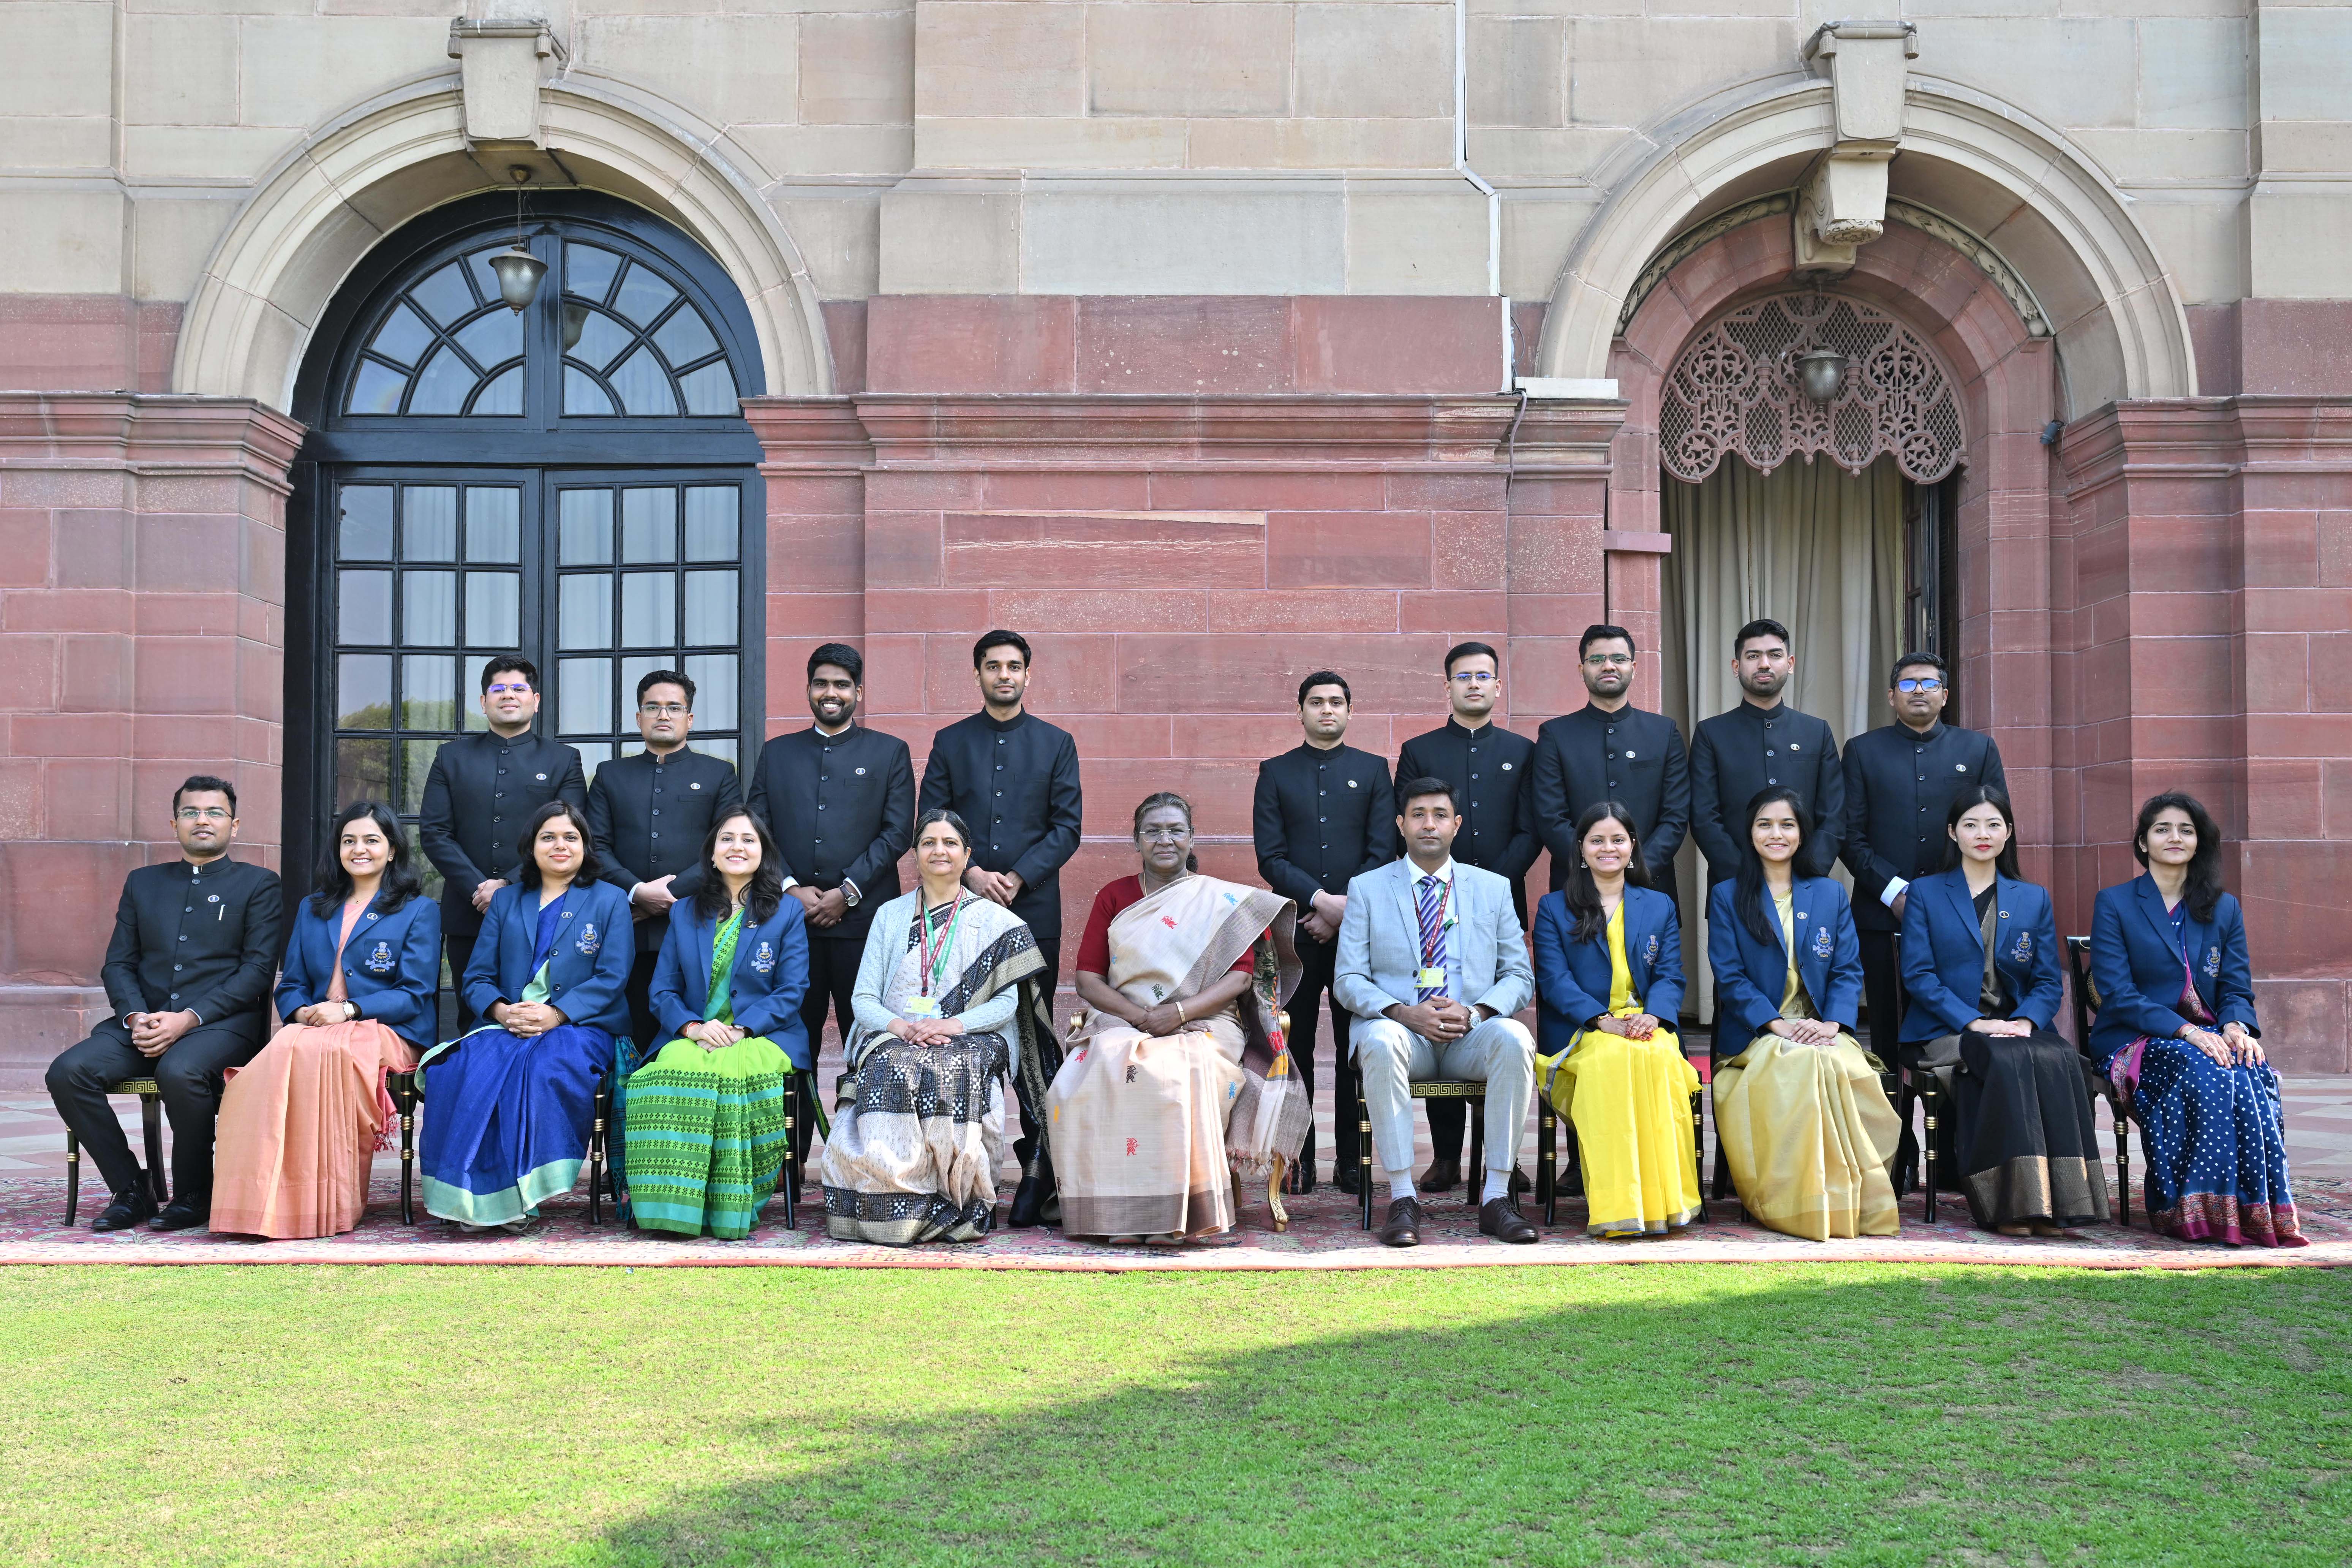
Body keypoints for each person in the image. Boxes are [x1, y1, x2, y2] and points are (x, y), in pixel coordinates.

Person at [1049, 793, 1307, 1244]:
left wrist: (1179, 1012)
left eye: (1175, 830)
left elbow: (1240, 980)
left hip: (1207, 1017)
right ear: (1137, 841)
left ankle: (1180, 1215)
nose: (1165, 840)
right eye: (1153, 831)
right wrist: (1141, 1016)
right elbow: (1089, 979)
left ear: (1191, 838)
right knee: (1105, 1060)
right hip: (1124, 1016)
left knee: (1184, 1070)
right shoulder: (1114, 896)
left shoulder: (1220, 901)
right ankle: (1118, 1216)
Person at [46, 775, 284, 1232]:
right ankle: (132, 1189)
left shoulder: (258, 885)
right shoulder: (143, 883)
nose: (202, 820)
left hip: (220, 1026)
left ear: (234, 827)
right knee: (68, 1071)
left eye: (215, 812)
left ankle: (195, 1192)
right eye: (191, 812)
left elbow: (256, 972)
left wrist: (187, 1020)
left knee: (181, 1071)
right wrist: (136, 1017)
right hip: (142, 1022)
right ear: (174, 823)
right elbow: (118, 964)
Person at [818, 809, 1054, 1245]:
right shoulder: (889, 915)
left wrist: (951, 1025)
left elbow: (1005, 1005)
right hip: (894, 1032)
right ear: (915, 855)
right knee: (893, 1063)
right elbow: (862, 999)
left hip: (971, 1035)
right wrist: (901, 1027)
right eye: (929, 842)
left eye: (949, 843)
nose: (939, 850)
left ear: (968, 856)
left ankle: (955, 1202)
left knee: (953, 1065)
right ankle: (889, 1198)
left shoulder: (998, 923)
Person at [210, 801, 440, 1239]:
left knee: (332, 1049)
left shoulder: (417, 910)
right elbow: (291, 984)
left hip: (388, 1031)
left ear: (392, 850)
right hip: (316, 1029)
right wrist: (302, 1012)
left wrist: (349, 1010)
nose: (359, 849)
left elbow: (415, 994)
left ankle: (329, 1203)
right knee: (276, 1058)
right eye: (349, 841)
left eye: (372, 840)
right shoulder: (313, 908)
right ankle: (261, 1203)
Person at [2089, 793, 2305, 1247]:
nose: (2175, 837)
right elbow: (2117, 992)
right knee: (2206, 1068)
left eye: (2186, 830)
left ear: (2199, 842)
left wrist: (2235, 1027)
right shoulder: (2116, 902)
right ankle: (2188, 1209)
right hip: (2137, 1038)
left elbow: (2236, 987)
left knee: (2250, 1067)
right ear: (2144, 842)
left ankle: (2251, 1211)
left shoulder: (2223, 908)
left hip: (2210, 1036)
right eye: (2163, 829)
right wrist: (2187, 1030)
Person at [919, 629, 1082, 1222]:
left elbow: (1067, 828)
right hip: (961, 912)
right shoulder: (950, 742)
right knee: (962, 1032)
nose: (1004, 676)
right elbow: (931, 818)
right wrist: (976, 875)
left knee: (1035, 1037)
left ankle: (1043, 1166)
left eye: (1014, 667)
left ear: (1027, 675)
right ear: (979, 674)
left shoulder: (1056, 743)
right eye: (993, 667)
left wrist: (1015, 877)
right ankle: (955, 1166)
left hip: (1033, 909)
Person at [1335, 778, 1539, 1248]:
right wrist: (1403, 1014)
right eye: (1420, 815)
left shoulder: (1492, 888)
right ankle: (1403, 1199)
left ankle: (1496, 1197)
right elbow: (1348, 980)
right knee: (1379, 1040)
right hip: (1405, 1034)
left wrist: (1476, 1012)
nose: (1430, 824)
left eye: (1441, 815)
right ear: (1401, 824)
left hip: (1470, 1034)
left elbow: (1518, 976)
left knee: (1515, 1038)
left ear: (1457, 824)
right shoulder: (1367, 889)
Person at [416, 800, 632, 1232]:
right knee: (462, 1068)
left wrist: (555, 1015)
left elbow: (612, 977)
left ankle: (520, 1198)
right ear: (531, 846)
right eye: (548, 837)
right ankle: (470, 1195)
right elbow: (476, 976)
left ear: (586, 847)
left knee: (541, 1067)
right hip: (505, 1024)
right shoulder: (508, 901)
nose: (560, 845)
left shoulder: (609, 900)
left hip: (580, 1027)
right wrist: (502, 1010)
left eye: (571, 837)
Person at [1899, 786, 2107, 1236]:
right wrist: (1974, 1022)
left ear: (2009, 833)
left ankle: (2063, 1204)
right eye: (1971, 824)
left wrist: (2025, 1021)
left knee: (2062, 1060)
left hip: (2017, 1027)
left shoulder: (2032, 898)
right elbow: (1918, 976)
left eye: (1994, 824)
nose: (1983, 834)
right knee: (2001, 1059)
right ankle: (2010, 1204)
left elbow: (2049, 979)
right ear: (1953, 833)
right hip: (1946, 1029)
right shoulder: (1926, 893)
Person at [1706, 786, 1900, 1240]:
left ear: (1802, 833)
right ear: (1750, 832)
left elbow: (1849, 968)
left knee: (1835, 1061)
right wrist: (1779, 1025)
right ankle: (1795, 1205)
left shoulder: (1830, 894)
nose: (1777, 834)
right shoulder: (1728, 894)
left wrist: (1832, 1024)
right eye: (1765, 824)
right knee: (1801, 1064)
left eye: (1787, 825)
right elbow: (1730, 976)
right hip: (1761, 1034)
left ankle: (1851, 1202)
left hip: (1822, 1027)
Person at [1840, 650, 2006, 1178]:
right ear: (1891, 696)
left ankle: (1956, 1154)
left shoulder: (1977, 749)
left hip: (1959, 918)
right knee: (1889, 1037)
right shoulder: (1863, 752)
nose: (1918, 691)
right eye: (1907, 684)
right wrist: (1894, 891)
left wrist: (1938, 897)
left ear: (1945, 695)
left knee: (1951, 1028)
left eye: (1929, 683)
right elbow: (1850, 835)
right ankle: (1896, 1154)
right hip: (1881, 917)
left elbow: (1993, 827)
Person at [621, 809, 811, 1239]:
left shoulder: (786, 913)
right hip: (695, 1033)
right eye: (727, 839)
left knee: (733, 1078)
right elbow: (662, 990)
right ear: (711, 854)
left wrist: (742, 1030)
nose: (737, 848)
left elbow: (791, 991)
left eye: (749, 840)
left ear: (764, 855)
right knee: (663, 1076)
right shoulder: (685, 912)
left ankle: (726, 1209)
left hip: (764, 1034)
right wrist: (692, 1027)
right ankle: (672, 1210)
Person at [1394, 640, 1538, 1194]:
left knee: (1493, 1017)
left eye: (1484, 676)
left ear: (1499, 687)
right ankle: (1448, 1157)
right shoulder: (1420, 749)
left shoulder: (1522, 750)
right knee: (1440, 1008)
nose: (1474, 684)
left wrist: (1490, 886)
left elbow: (1532, 827)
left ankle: (1504, 1157)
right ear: (1448, 686)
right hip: (1429, 900)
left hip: (1498, 900)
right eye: (1463, 677)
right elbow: (1406, 824)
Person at [1252, 669, 1397, 1194]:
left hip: (1359, 937)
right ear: (1301, 711)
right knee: (1297, 1049)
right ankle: (1300, 1158)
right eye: (1317, 702)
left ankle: (1355, 1161)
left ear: (1350, 710)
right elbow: (1271, 856)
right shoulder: (1276, 772)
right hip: (1297, 932)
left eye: (1337, 702)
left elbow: (1385, 852)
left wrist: (1343, 911)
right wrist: (1319, 902)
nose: (1327, 710)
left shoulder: (1374, 771)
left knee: (1357, 1044)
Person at [745, 643, 915, 1092]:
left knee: (871, 1041)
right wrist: (790, 887)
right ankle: (790, 1158)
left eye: (842, 684)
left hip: (864, 923)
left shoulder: (890, 752)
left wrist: (848, 892)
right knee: (788, 1044)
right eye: (821, 683)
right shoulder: (777, 753)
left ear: (858, 691)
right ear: (808, 689)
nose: (831, 692)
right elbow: (756, 831)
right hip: (788, 922)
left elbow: (898, 833)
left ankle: (865, 1153)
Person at [1531, 803, 1702, 1239]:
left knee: (1659, 1059)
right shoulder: (1554, 907)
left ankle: (1665, 1204)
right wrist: (1600, 1020)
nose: (1609, 848)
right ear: (1582, 850)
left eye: (1618, 839)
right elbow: (1553, 980)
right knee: (1612, 1060)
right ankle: (1619, 1206)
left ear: (1632, 848)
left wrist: (1654, 1017)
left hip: (1646, 1024)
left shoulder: (1658, 905)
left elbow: (1670, 974)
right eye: (1597, 840)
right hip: (1583, 1030)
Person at [419, 656, 587, 1033]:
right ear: (483, 702)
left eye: (518, 688)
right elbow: (434, 832)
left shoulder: (563, 760)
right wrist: (480, 888)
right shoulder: (451, 757)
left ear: (536, 700)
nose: (508, 696)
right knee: (472, 1015)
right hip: (467, 910)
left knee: (540, 1012)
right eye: (498, 689)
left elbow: (570, 831)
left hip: (541, 906)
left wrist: (508, 885)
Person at [585, 668, 743, 1051]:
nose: (663, 715)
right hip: (626, 925)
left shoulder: (718, 774)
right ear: (638, 718)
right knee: (630, 1031)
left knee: (689, 1030)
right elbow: (594, 846)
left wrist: (668, 894)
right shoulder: (610, 775)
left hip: (697, 920)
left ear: (689, 718)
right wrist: (637, 891)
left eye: (674, 707)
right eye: (653, 707)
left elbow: (727, 848)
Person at [1531, 625, 1690, 901]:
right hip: (1576, 889)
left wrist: (1638, 869)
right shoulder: (1555, 735)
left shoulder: (1664, 733)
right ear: (1582, 669)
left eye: (1619, 659)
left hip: (1650, 886)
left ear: (1634, 667)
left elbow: (1675, 817)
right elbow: (1550, 817)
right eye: (1597, 660)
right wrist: (1595, 868)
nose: (1608, 666)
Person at [1690, 620, 1844, 887]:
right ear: (1736, 667)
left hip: (1807, 884)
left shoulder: (1816, 731)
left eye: (1775, 655)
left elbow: (1834, 813)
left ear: (1791, 664)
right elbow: (1704, 818)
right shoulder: (1711, 733)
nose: (1765, 664)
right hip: (1734, 886)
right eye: (1753, 656)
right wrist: (1743, 878)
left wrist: (1807, 874)